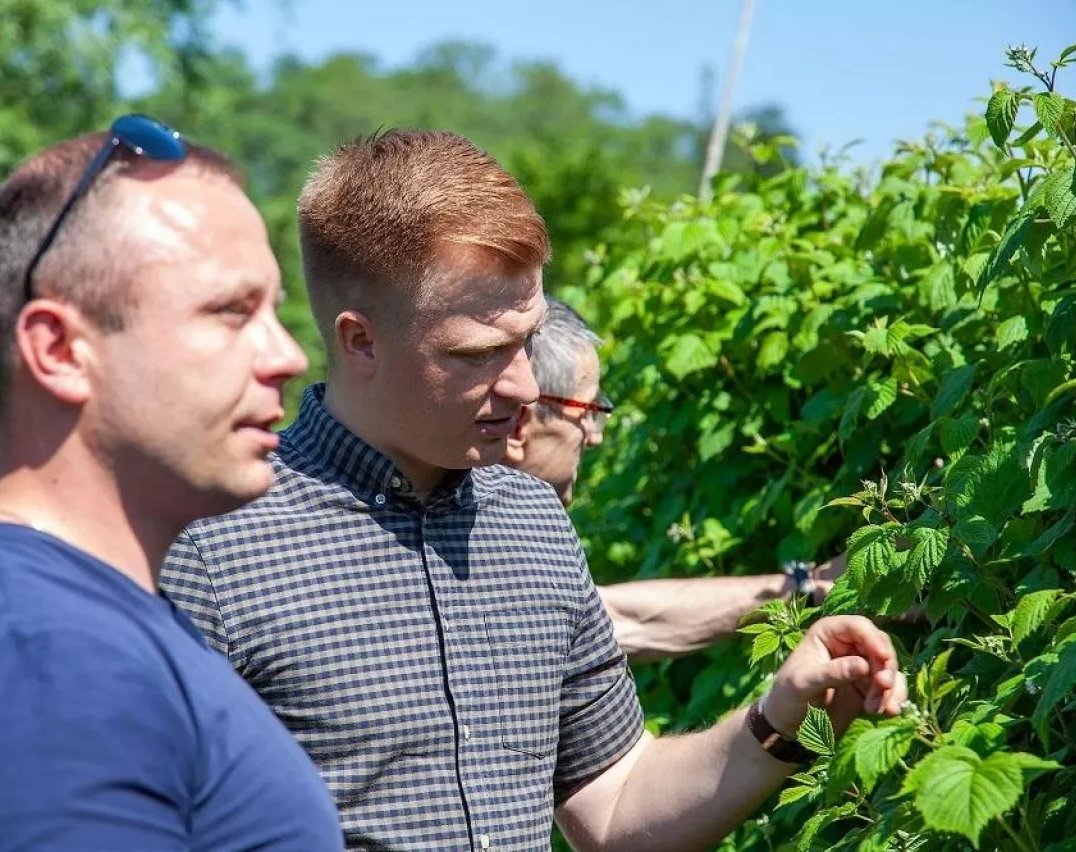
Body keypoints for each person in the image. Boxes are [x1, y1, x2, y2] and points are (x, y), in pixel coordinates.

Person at [161, 129, 906, 852]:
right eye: (478, 353)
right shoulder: (211, 545)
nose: (522, 385)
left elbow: (613, 806)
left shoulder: (530, 519)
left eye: (527, 339)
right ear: (360, 341)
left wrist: (776, 725)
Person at [0, 116, 343, 851]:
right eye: (231, 312)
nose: (288, 355)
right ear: (61, 350)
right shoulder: (43, 662)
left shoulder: (61, 623)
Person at [503, 297, 845, 662]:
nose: (595, 435)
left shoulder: (515, 533)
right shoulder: (467, 542)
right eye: (589, 411)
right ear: (521, 423)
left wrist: (808, 588)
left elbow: (612, 620)